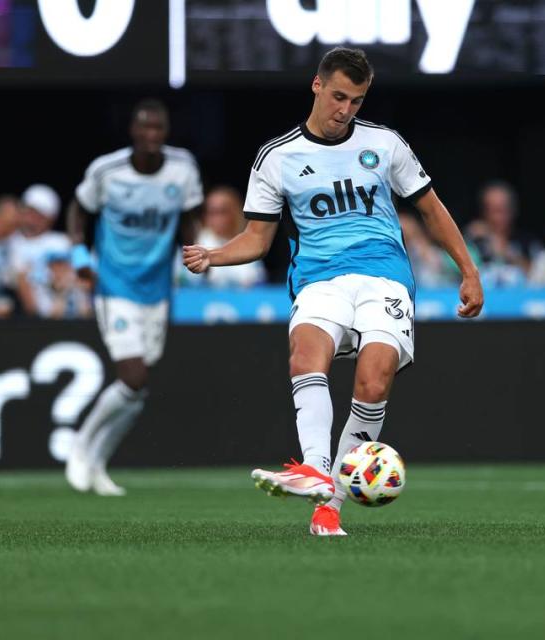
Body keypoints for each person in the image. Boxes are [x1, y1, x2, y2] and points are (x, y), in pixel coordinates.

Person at [183, 48, 483, 536]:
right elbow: (258, 239)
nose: (346, 110)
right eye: (339, 96)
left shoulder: (385, 145)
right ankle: (316, 470)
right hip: (319, 277)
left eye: (358, 101)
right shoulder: (277, 157)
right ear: (317, 86)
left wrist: (468, 270)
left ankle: (329, 508)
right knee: (305, 354)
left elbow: (431, 208)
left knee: (373, 382)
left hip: (384, 275)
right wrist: (213, 256)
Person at [64, 98, 204, 496]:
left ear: (166, 132)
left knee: (137, 387)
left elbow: (189, 215)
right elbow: (78, 209)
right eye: (144, 128)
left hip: (157, 287)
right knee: (133, 375)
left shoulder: (183, 167)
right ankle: (81, 445)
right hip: (115, 283)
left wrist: (190, 254)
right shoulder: (107, 170)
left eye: (158, 129)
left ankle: (98, 462)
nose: (150, 136)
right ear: (132, 131)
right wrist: (79, 254)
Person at [9, 184, 71, 316]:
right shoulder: (10, 241)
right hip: (26, 318)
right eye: (29, 211)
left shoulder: (61, 242)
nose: (32, 217)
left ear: (51, 218)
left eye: (39, 214)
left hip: (64, 315)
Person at [465, 181, 538, 285]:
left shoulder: (527, 241)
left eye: (504, 210)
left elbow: (538, 276)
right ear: (484, 212)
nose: (499, 217)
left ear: (513, 210)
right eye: (494, 211)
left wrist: (507, 252)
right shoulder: (474, 239)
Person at [193, 186, 267, 288]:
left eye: (221, 212)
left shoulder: (249, 244)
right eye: (211, 212)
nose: (215, 219)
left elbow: (259, 283)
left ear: (234, 213)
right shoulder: (197, 243)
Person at [32, 251, 93, 319]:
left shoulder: (75, 285)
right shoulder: (42, 286)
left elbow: (85, 314)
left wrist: (79, 291)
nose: (63, 269)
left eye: (66, 265)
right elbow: (54, 315)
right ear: (49, 268)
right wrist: (62, 292)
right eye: (58, 265)